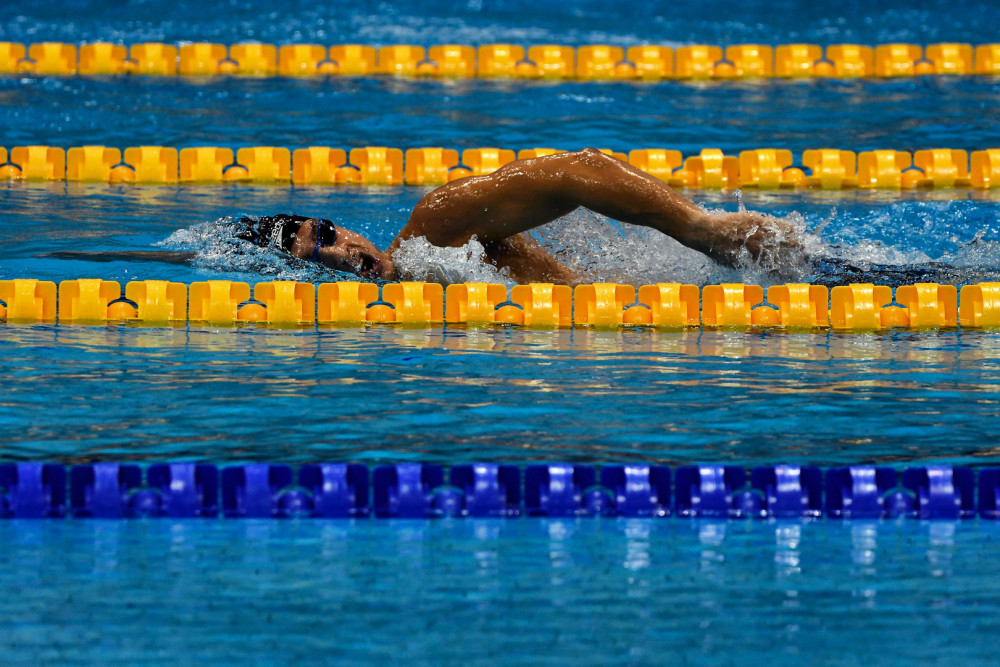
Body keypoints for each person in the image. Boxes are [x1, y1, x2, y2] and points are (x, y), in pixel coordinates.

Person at [239, 148, 803, 284]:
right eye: (317, 257)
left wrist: (698, 228)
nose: (339, 252)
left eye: (327, 233)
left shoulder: (433, 232)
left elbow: (578, 170)